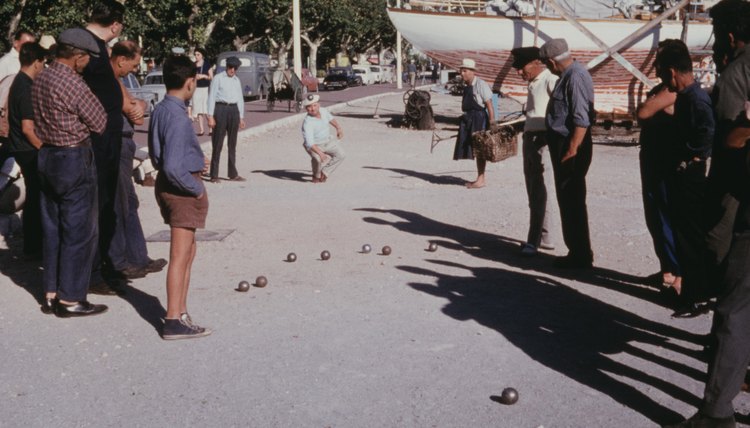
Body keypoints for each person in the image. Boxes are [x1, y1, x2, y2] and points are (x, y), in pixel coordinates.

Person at [664, 1, 750, 426]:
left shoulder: (738, 72)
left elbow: (732, 143)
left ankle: (716, 412)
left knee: (736, 307)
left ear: (730, 36)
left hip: (741, 199)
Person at [32, 28, 107, 317]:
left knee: (52, 229)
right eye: (86, 58)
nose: (87, 63)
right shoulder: (74, 84)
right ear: (77, 57)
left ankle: (51, 291)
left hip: (47, 154)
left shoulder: (42, 78)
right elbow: (99, 121)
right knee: (79, 231)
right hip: (74, 157)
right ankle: (71, 298)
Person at [148, 54, 212, 340]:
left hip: (170, 183)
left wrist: (195, 159)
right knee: (180, 254)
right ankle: (173, 318)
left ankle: (181, 312)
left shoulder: (162, 109)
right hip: (182, 189)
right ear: (189, 83)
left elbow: (161, 154)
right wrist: (196, 187)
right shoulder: (177, 116)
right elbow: (174, 166)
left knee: (188, 252)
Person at [654, 40, 713, 318]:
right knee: (683, 236)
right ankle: (691, 293)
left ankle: (695, 297)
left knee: (690, 240)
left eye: (664, 74)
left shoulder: (695, 98)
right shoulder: (690, 97)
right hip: (683, 174)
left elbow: (706, 133)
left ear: (673, 71)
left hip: (689, 178)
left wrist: (691, 158)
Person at [107, 40, 167, 280]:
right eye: (132, 65)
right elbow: (130, 107)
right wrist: (134, 105)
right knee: (120, 205)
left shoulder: (119, 80)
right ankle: (122, 261)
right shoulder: (108, 79)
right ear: (121, 60)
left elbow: (138, 111)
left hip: (125, 141)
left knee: (130, 203)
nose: (134, 70)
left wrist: (136, 104)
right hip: (116, 143)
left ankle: (138, 257)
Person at [82, 0, 128, 291]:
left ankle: (106, 265)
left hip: (107, 137)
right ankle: (93, 272)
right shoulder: (84, 46)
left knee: (107, 204)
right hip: (96, 142)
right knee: (95, 207)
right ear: (115, 24)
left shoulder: (97, 47)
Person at [540, 38, 594, 269]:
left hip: (570, 145)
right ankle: (577, 252)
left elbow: (581, 119)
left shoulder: (575, 76)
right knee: (568, 200)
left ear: (552, 62)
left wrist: (572, 150)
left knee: (572, 200)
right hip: (565, 143)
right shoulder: (568, 76)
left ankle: (580, 256)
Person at [636, 45, 682, 294]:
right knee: (654, 217)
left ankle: (678, 274)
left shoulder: (673, 92)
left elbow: (643, 112)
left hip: (665, 161)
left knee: (667, 218)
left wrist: (652, 105)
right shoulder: (660, 90)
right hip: (652, 158)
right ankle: (667, 267)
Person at [511, 47, 557, 256]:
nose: (520, 72)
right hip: (531, 137)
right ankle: (544, 237)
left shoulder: (550, 81)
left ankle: (534, 240)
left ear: (536, 63)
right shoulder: (534, 83)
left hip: (541, 140)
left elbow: (558, 112)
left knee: (538, 191)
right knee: (534, 189)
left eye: (522, 68)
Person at [4, 42, 47, 258]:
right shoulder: (26, 87)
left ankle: (33, 245)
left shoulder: (19, 83)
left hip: (21, 147)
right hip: (28, 148)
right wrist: (45, 149)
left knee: (33, 196)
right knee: (37, 196)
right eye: (43, 63)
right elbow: (28, 129)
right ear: (37, 62)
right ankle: (34, 245)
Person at [453, 58, 495, 189]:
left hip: (479, 119)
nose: (462, 74)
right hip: (469, 119)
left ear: (472, 72)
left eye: (465, 71)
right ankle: (480, 178)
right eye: (461, 71)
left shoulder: (481, 84)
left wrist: (492, 121)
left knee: (479, 150)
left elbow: (489, 104)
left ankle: (481, 180)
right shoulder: (467, 86)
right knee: (473, 150)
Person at [207, 56, 245, 183]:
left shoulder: (236, 80)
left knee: (232, 144)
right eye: (230, 67)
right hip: (220, 109)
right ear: (226, 66)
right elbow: (211, 97)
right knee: (217, 143)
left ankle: (232, 173)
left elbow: (240, 99)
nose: (232, 70)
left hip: (233, 110)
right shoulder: (218, 78)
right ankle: (214, 174)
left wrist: (241, 117)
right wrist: (210, 116)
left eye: (235, 68)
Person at [301, 94, 345, 183]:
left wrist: (338, 128)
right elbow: (310, 143)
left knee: (341, 155)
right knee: (317, 159)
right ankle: (316, 176)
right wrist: (320, 153)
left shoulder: (323, 111)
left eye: (314, 105)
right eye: (309, 107)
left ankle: (325, 172)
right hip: (315, 145)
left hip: (327, 141)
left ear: (319, 105)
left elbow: (331, 119)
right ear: (306, 109)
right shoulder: (307, 123)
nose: (313, 108)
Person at [192, 47, 213, 136]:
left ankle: (211, 128)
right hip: (196, 89)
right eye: (195, 55)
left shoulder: (207, 64)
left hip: (205, 88)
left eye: (198, 55)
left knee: (206, 109)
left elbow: (211, 77)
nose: (196, 56)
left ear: (202, 55)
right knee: (199, 110)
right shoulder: (193, 65)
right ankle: (201, 130)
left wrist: (204, 76)